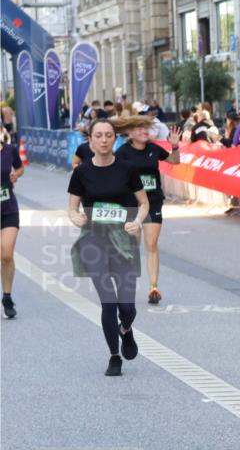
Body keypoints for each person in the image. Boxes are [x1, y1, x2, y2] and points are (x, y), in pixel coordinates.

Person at [67, 119, 150, 376]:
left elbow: (144, 203)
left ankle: (126, 329)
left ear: (115, 138)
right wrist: (75, 217)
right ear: (90, 140)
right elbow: (72, 208)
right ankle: (114, 356)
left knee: (127, 307)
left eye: (108, 135)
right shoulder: (81, 173)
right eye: (98, 135)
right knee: (109, 302)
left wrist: (137, 221)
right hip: (93, 240)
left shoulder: (128, 169)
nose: (103, 140)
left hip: (123, 241)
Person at [114, 116, 181, 305]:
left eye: (146, 128)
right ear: (130, 133)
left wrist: (175, 146)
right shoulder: (122, 153)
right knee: (132, 245)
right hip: (132, 204)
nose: (144, 132)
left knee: (151, 244)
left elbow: (175, 161)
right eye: (139, 129)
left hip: (153, 201)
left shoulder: (154, 149)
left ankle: (153, 287)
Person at [1, 125, 25, 318]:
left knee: (7, 254)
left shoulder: (10, 150)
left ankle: (7, 297)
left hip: (8, 207)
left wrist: (16, 174)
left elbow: (20, 167)